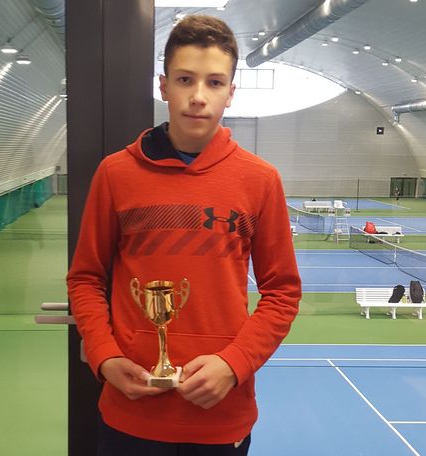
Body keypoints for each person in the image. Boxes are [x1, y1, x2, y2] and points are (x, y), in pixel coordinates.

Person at [67, 14, 301, 456]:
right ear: (163, 86)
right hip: (130, 416)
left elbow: (283, 292)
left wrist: (233, 364)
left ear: (230, 92)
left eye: (214, 83)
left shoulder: (260, 180)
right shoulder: (115, 174)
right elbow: (85, 278)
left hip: (220, 416)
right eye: (184, 79)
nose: (198, 97)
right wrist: (105, 356)